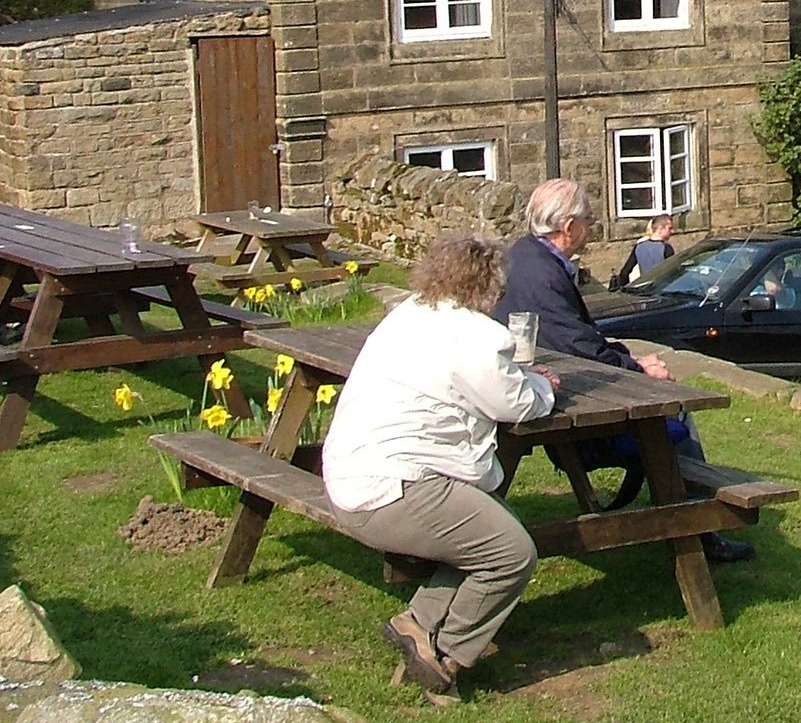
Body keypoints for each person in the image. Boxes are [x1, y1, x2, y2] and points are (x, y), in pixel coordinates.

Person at [322, 234, 562, 705]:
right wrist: (545, 385)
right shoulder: (476, 336)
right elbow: (516, 402)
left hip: (352, 471)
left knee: (485, 526)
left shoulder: (409, 314)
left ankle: (418, 626)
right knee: (511, 553)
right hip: (391, 486)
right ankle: (445, 656)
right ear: (487, 287)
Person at [495, 179, 755, 563]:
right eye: (589, 220)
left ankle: (684, 512)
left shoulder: (523, 255)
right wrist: (635, 367)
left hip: (540, 386)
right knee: (673, 412)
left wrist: (629, 361)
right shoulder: (542, 275)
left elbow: (576, 340)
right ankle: (699, 533)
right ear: (569, 227)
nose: (592, 227)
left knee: (665, 406)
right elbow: (578, 346)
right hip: (565, 408)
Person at [612, 213, 674, 289]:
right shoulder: (666, 248)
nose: (672, 231)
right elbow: (673, 274)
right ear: (660, 229)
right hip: (663, 291)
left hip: (645, 290)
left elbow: (624, 272)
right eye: (669, 228)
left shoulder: (639, 246)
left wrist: (626, 290)